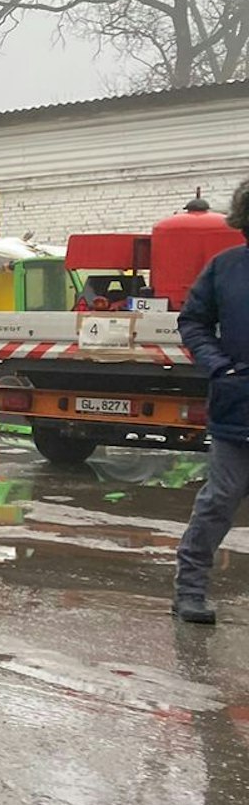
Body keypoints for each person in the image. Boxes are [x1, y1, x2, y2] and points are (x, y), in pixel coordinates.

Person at [173, 176, 249, 624]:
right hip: (237, 407)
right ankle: (190, 591)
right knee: (220, 500)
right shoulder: (225, 268)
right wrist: (219, 365)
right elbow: (193, 321)